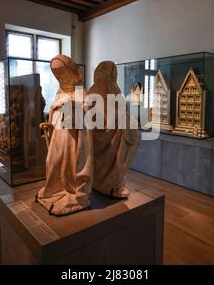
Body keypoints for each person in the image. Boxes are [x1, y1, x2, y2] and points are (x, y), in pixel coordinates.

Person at [36, 55, 93, 216]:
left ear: (70, 72)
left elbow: (87, 114)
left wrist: (73, 107)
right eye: (57, 73)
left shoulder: (80, 90)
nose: (61, 76)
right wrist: (50, 123)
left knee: (70, 164)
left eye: (62, 72)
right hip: (58, 136)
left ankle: (72, 191)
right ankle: (55, 188)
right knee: (53, 162)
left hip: (73, 138)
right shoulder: (60, 91)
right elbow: (55, 113)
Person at [88, 61, 141, 198]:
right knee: (115, 159)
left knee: (99, 161)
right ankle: (111, 185)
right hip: (113, 135)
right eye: (115, 71)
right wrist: (127, 118)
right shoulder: (110, 86)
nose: (116, 74)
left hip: (96, 135)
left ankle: (98, 182)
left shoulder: (93, 87)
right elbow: (115, 113)